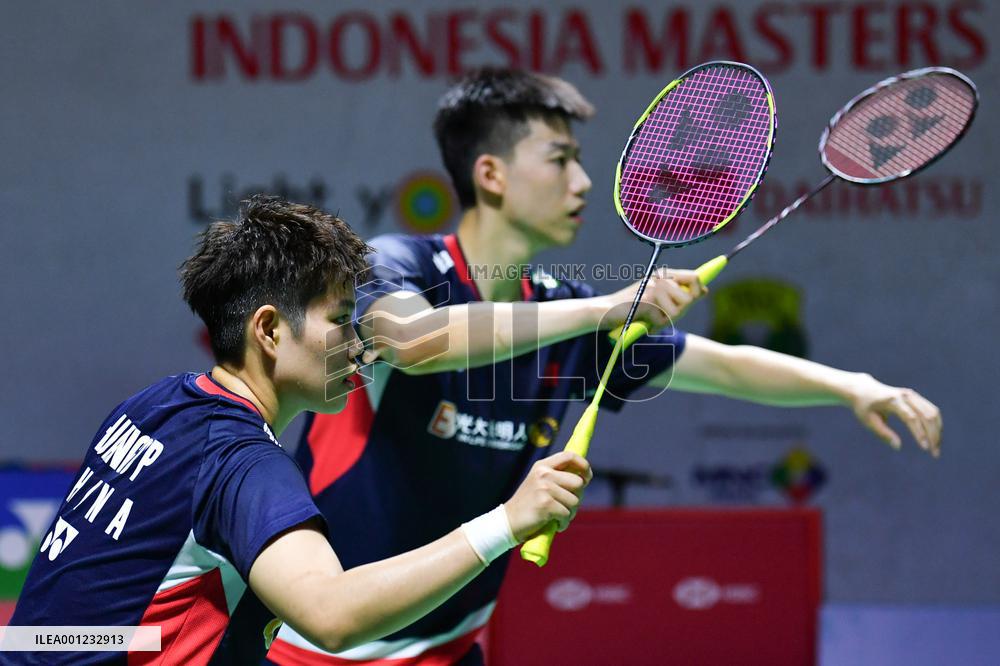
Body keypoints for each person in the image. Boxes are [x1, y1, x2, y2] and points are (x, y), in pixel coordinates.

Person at [261, 69, 942, 665]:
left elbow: (724, 367)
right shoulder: (398, 264)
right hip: (311, 648)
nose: (583, 182)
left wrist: (851, 386)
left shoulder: (564, 310)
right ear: (490, 174)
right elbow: (415, 340)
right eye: (559, 160)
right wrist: (606, 310)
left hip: (451, 647)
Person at [1, 196, 591, 665]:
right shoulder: (243, 462)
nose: (360, 345)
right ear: (269, 330)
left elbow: (75, 618)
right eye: (340, 321)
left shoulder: (152, 406)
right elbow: (332, 616)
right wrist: (506, 523)